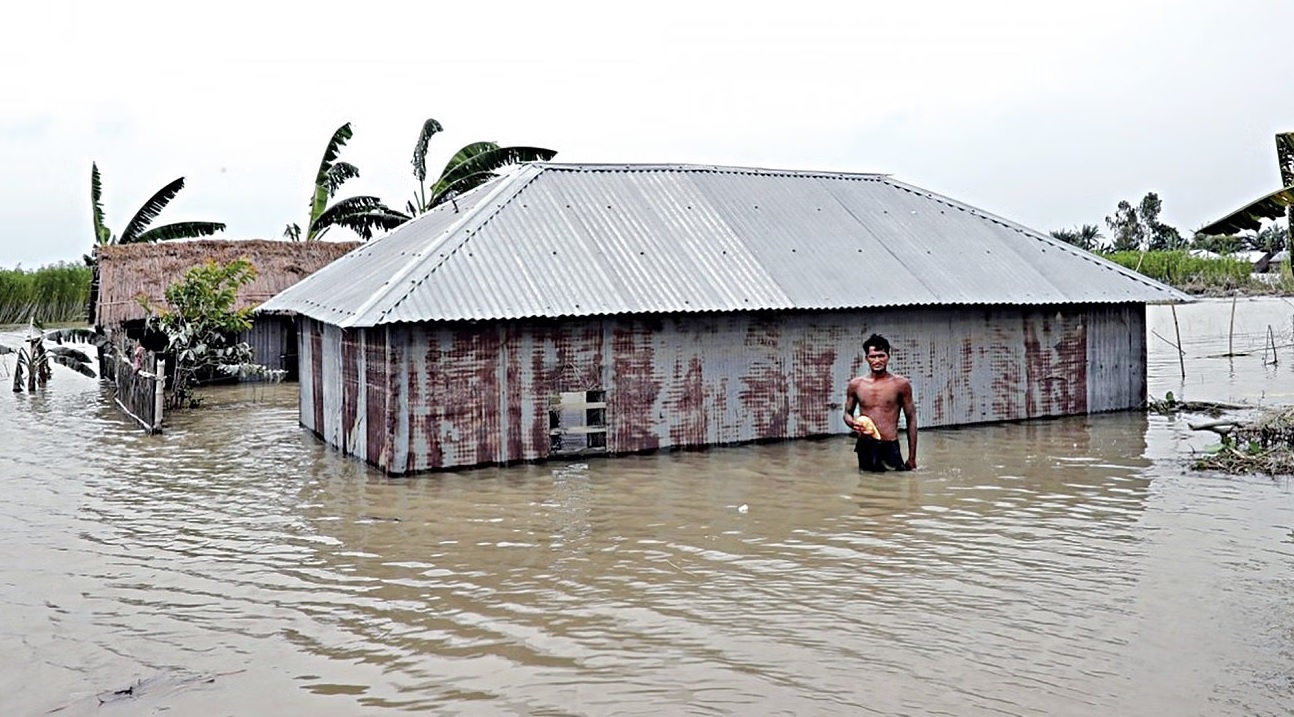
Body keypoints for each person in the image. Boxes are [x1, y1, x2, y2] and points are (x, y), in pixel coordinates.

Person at [843, 333, 917, 471]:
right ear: (866, 358)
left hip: (890, 444)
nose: (877, 360)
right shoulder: (856, 384)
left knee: (895, 486)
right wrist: (851, 422)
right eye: (873, 356)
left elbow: (911, 418)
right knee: (866, 486)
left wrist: (912, 458)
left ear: (888, 357)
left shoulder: (901, 384)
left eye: (881, 356)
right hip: (865, 444)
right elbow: (847, 413)